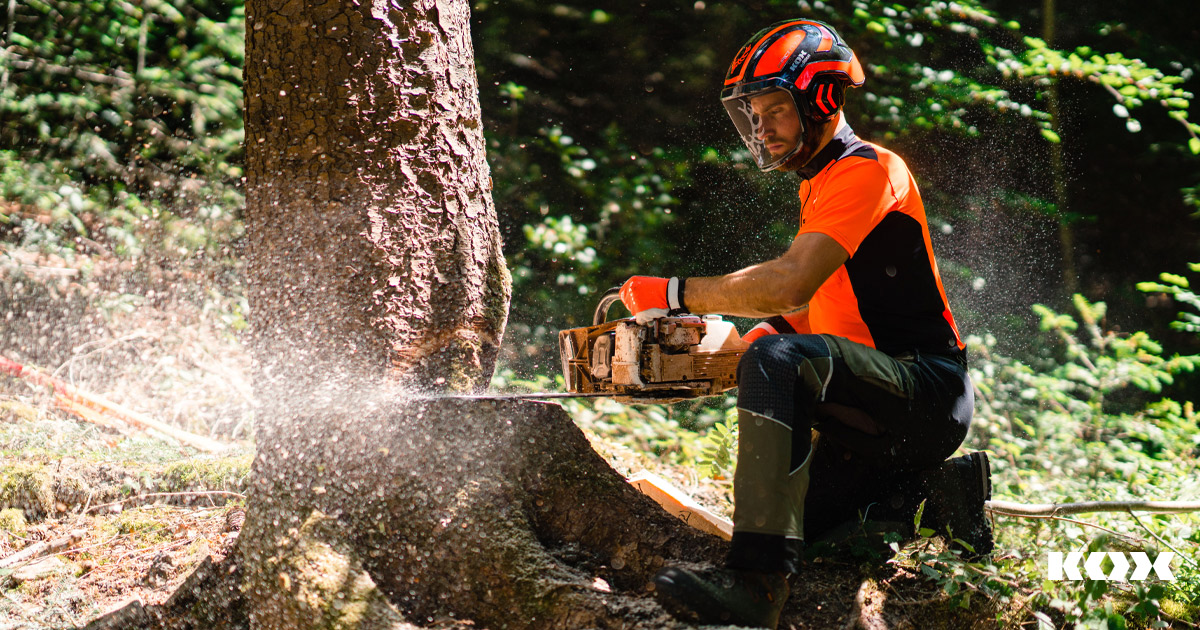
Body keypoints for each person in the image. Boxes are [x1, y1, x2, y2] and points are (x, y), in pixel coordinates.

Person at [618, 19, 992, 629]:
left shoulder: (870, 169)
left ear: (820, 99)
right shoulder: (817, 186)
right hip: (872, 414)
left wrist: (676, 293)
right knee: (811, 530)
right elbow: (815, 303)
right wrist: (741, 343)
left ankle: (755, 588)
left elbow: (790, 280)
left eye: (774, 111)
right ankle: (938, 495)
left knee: (777, 365)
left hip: (925, 389)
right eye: (753, 116)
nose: (760, 130)